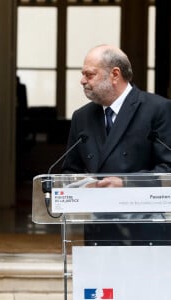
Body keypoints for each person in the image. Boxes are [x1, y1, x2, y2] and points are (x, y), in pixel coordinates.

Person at [62, 44, 171, 245]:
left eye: (89, 74)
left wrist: (125, 183)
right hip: (99, 230)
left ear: (114, 75)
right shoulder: (82, 117)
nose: (82, 80)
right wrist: (83, 183)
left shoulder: (157, 109)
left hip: (145, 230)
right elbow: (70, 170)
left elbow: (168, 170)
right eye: (82, 74)